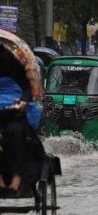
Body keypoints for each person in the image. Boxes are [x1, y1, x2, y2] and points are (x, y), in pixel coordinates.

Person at [0, 45, 44, 194]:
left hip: (15, 115)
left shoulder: (18, 69)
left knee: (16, 133)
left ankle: (16, 181)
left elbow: (27, 89)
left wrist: (24, 101)